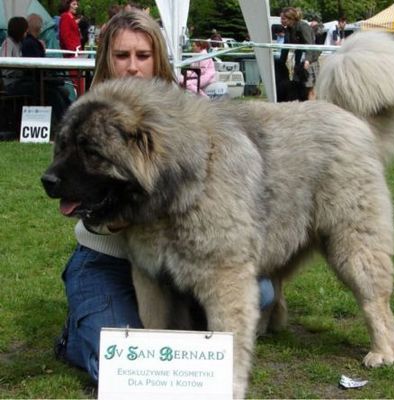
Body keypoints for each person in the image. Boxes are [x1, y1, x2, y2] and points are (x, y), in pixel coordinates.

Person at [54, 10, 274, 383]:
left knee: (260, 292)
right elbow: (73, 185)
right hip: (107, 258)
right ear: (106, 57)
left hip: (172, 258)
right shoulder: (86, 112)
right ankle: (80, 332)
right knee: (125, 368)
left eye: (143, 55)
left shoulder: (184, 113)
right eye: (122, 56)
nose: (133, 67)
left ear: (159, 58)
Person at [21, 13, 71, 122]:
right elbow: (35, 69)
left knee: (61, 92)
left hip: (36, 80)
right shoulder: (31, 44)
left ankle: (68, 120)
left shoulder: (30, 43)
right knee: (55, 94)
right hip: (33, 81)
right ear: (40, 29)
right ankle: (65, 122)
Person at [279, 7, 319, 100]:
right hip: (299, 61)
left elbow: (309, 45)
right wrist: (281, 62)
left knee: (309, 88)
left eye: (283, 19)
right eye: (281, 19)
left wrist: (307, 61)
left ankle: (311, 109)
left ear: (291, 18)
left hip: (310, 61)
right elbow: (286, 46)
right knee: (297, 86)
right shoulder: (288, 29)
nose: (281, 21)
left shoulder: (303, 26)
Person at [59, 0, 83, 93]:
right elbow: (65, 36)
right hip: (72, 55)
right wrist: (73, 50)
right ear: (68, 5)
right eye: (74, 4)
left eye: (76, 4)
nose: (76, 6)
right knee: (75, 82)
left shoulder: (70, 17)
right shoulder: (65, 17)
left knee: (78, 81)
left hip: (75, 53)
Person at [0, 16, 28, 91]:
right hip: (10, 83)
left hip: (18, 80)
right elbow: (5, 66)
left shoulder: (19, 43)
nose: (26, 33)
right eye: (25, 30)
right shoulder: (8, 43)